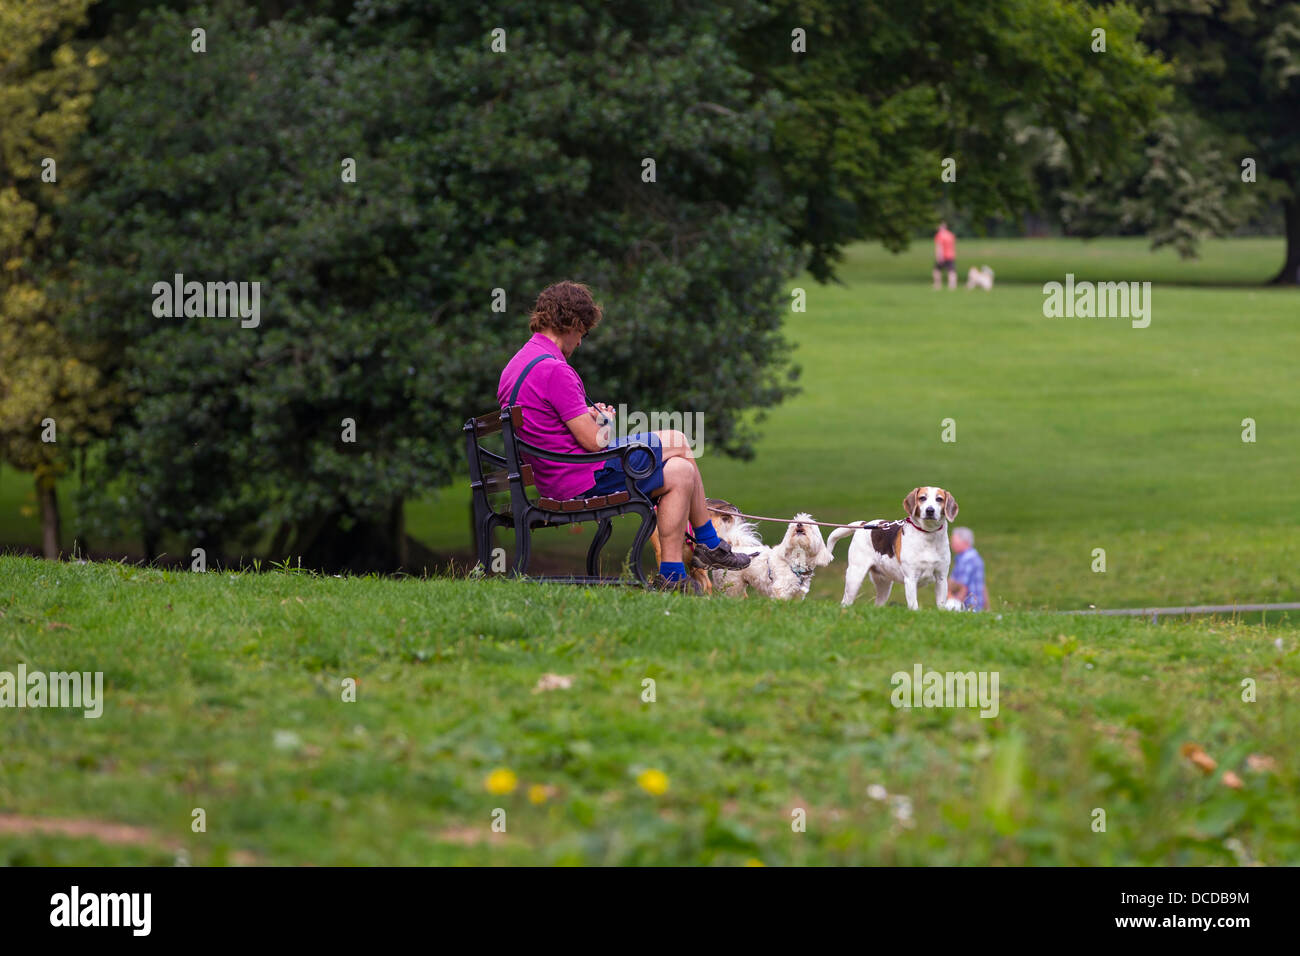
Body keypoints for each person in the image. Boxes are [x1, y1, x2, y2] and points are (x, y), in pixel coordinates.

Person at [497, 281, 750, 592]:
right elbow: (593, 442)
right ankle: (709, 544)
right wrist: (604, 421)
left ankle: (672, 576)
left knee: (681, 471)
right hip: (578, 479)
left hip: (556, 474)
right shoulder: (554, 370)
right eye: (583, 334)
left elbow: (551, 426)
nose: (579, 343)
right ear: (573, 323)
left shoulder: (518, 363)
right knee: (680, 440)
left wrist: (590, 419)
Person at [948, 526, 987, 610]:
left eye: (954, 541)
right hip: (977, 606)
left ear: (964, 542)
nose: (951, 544)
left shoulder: (967, 559)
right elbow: (982, 585)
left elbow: (963, 587)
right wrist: (987, 607)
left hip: (968, 607)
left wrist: (955, 607)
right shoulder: (976, 557)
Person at [933, 221, 957, 290]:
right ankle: (952, 285)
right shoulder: (950, 234)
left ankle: (937, 285)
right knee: (951, 271)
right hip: (951, 255)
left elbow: (939, 247)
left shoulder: (939, 235)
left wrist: (939, 256)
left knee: (937, 270)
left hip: (943, 256)